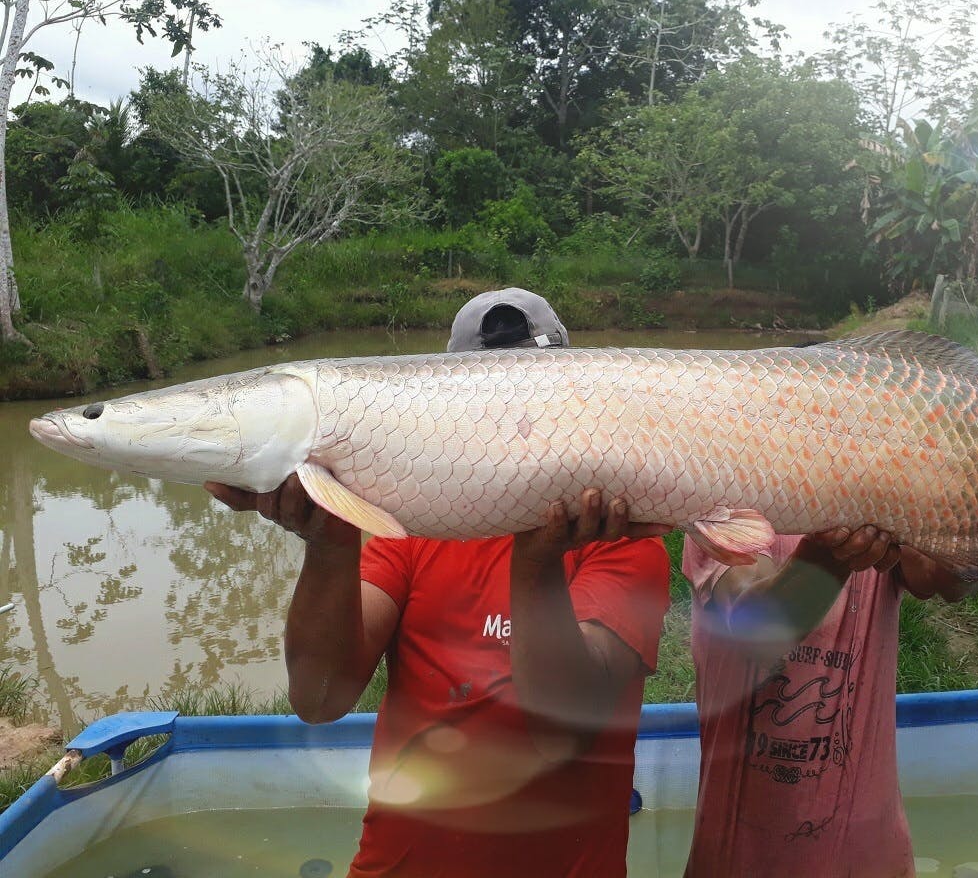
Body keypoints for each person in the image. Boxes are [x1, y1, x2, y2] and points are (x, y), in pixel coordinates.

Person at [207, 288, 672, 878]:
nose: (515, 420)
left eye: (535, 396)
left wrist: (534, 565)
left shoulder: (623, 538)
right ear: (446, 409)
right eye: (485, 399)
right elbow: (320, 699)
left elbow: (561, 733)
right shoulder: (415, 528)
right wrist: (331, 542)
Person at [681, 481, 978, 878]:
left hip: (869, 850)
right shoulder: (723, 505)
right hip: (741, 851)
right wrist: (831, 556)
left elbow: (949, 577)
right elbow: (759, 629)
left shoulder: (880, 487)